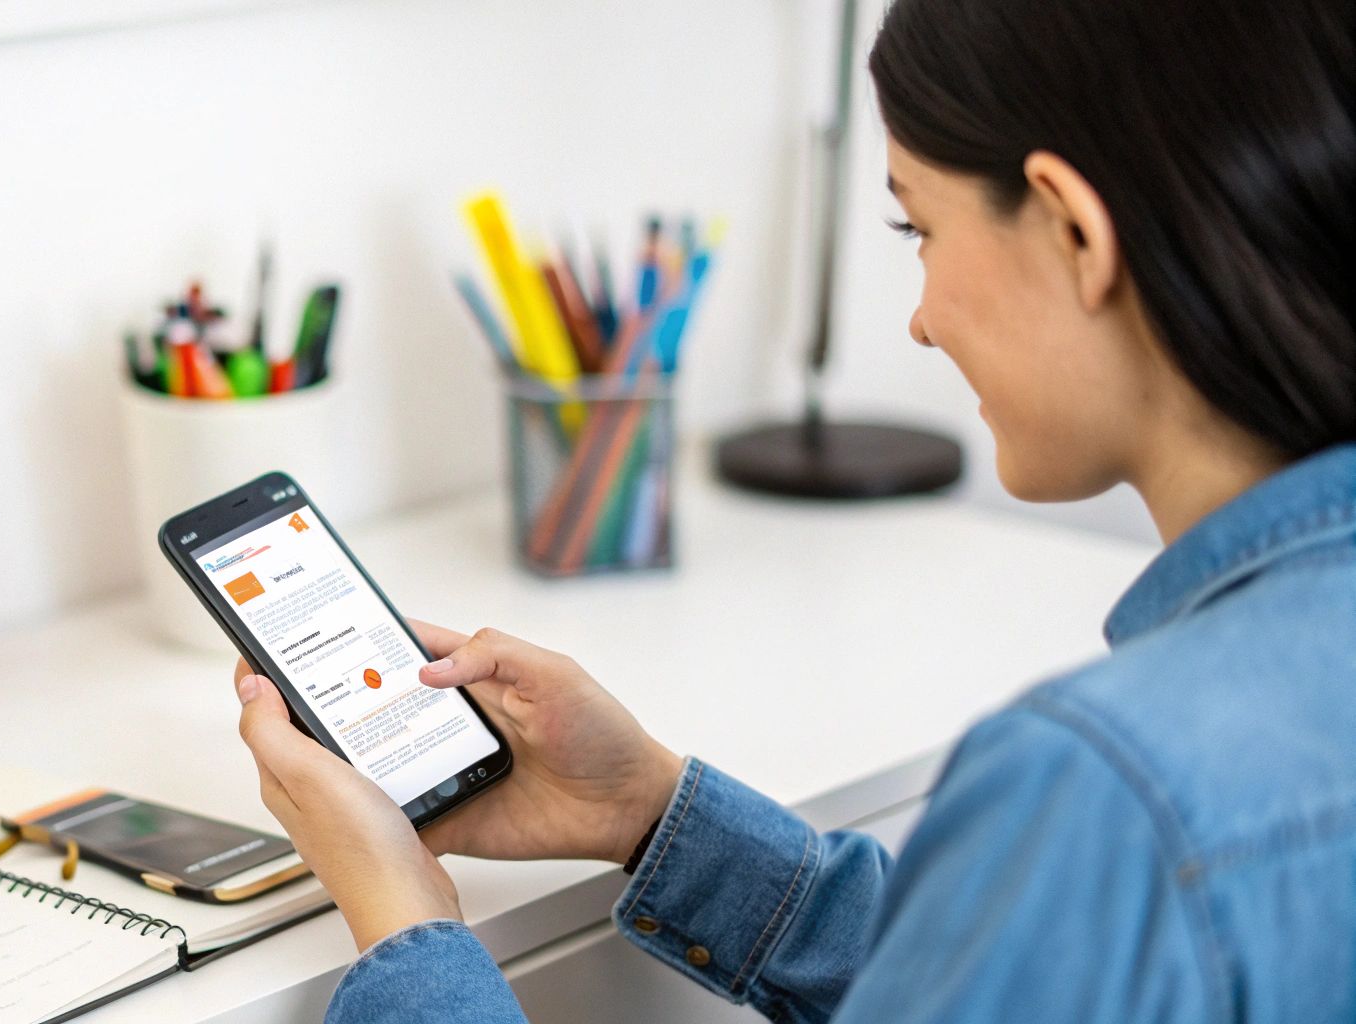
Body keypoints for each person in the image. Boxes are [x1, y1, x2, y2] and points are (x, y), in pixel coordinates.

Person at [228, 0, 1356, 1019]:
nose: (919, 322)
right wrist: (647, 808)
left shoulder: (1101, 793)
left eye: (917, 229)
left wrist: (405, 930)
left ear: (1070, 228)